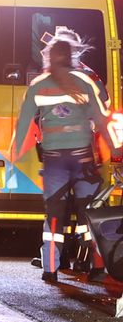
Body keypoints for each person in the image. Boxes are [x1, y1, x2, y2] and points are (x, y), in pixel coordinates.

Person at [12, 31, 120, 283]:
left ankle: (50, 269)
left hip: (54, 162)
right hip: (82, 159)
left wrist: (15, 157)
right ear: (72, 57)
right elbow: (102, 121)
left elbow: (24, 123)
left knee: (54, 214)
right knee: (88, 212)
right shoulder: (84, 82)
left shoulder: (38, 85)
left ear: (48, 58)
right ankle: (96, 267)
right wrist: (115, 150)